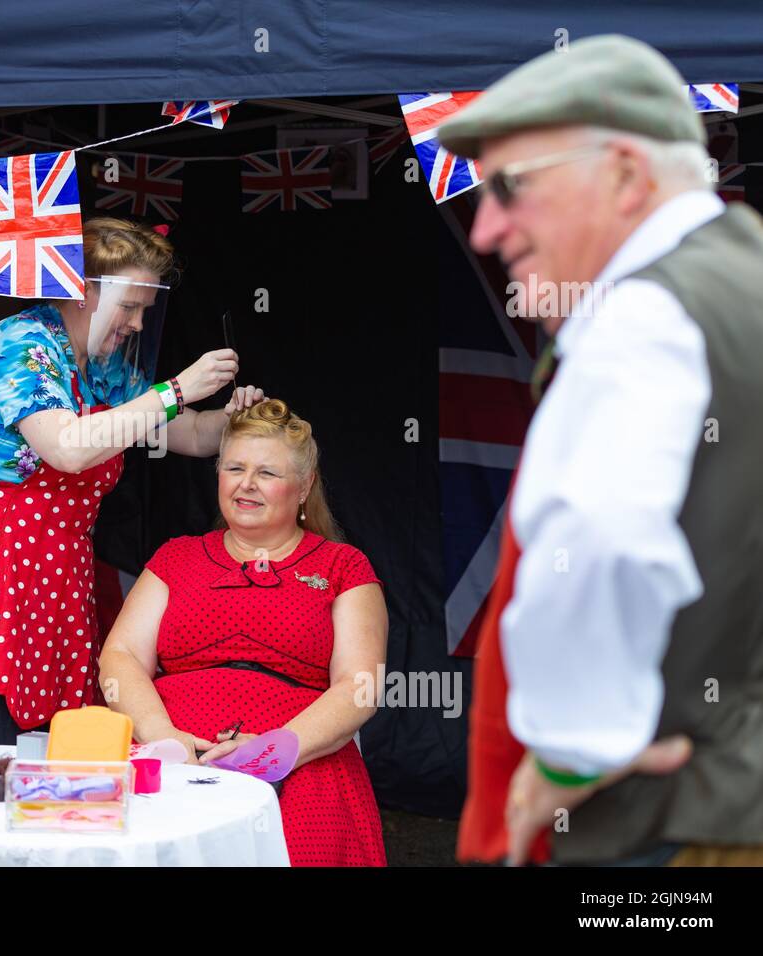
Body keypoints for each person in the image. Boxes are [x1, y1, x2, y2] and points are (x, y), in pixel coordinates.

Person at [438, 35, 763, 866]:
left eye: (511, 187)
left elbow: (603, 532)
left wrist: (568, 755)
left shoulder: (641, 317)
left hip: (660, 825)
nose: (487, 230)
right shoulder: (745, 273)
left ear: (624, 174)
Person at [0, 217, 264, 744]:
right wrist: (177, 389)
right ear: (83, 291)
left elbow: (181, 433)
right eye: (130, 306)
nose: (139, 324)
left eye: (146, 308)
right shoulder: (20, 343)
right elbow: (68, 448)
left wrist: (231, 421)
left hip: (55, 562)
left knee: (58, 735)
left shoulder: (104, 367)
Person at [99, 399, 387, 866]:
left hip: (301, 765)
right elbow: (122, 655)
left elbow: (360, 685)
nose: (246, 484)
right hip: (173, 759)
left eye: (267, 473)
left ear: (304, 487)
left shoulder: (343, 567)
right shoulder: (177, 557)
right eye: (234, 467)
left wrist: (274, 749)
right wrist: (166, 739)